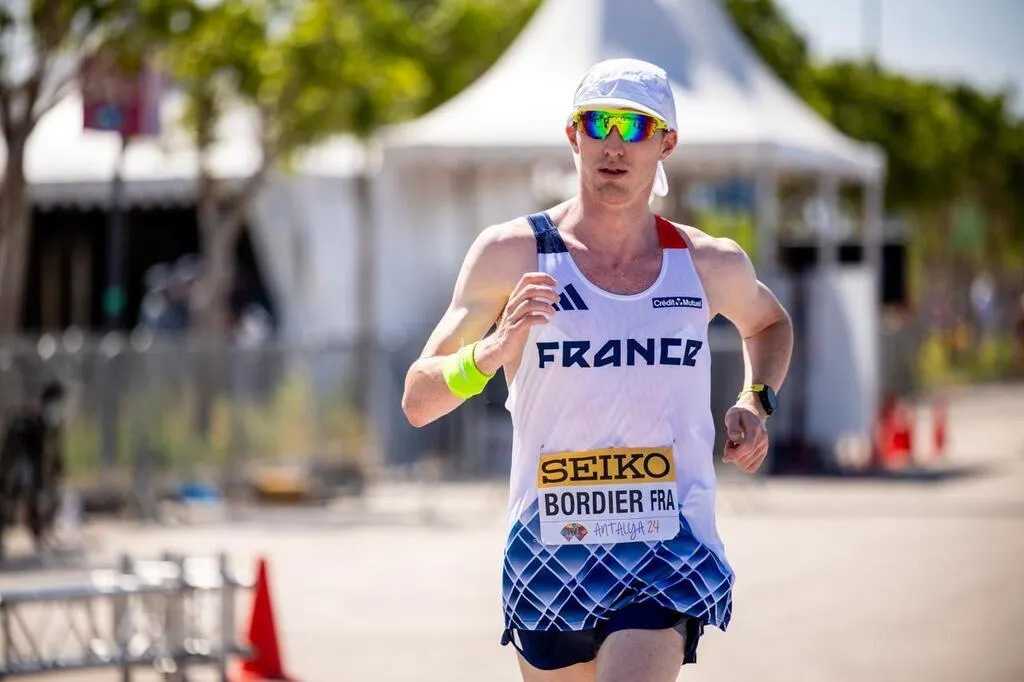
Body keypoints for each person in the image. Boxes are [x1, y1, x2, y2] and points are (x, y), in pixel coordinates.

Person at [401, 58, 793, 681]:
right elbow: (418, 400)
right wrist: (492, 352)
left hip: (666, 545)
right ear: (572, 135)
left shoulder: (705, 263)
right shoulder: (514, 252)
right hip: (549, 548)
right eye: (599, 123)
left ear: (667, 143)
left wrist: (755, 400)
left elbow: (769, 324)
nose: (614, 144)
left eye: (636, 128)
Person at [0, 381, 68, 560]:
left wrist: (57, 470)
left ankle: (40, 536)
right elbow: (13, 452)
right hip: (20, 468)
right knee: (11, 503)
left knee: (43, 501)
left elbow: (53, 452)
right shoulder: (29, 422)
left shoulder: (52, 423)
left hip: (35, 472)